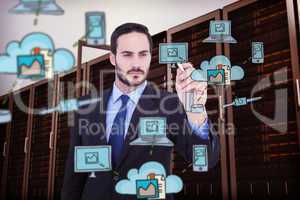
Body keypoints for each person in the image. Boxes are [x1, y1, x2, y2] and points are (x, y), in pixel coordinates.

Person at [61, 23, 220, 200]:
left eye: (143, 54)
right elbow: (74, 178)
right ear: (113, 58)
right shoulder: (85, 107)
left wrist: (195, 108)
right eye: (127, 54)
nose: (136, 63)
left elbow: (204, 160)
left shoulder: (169, 103)